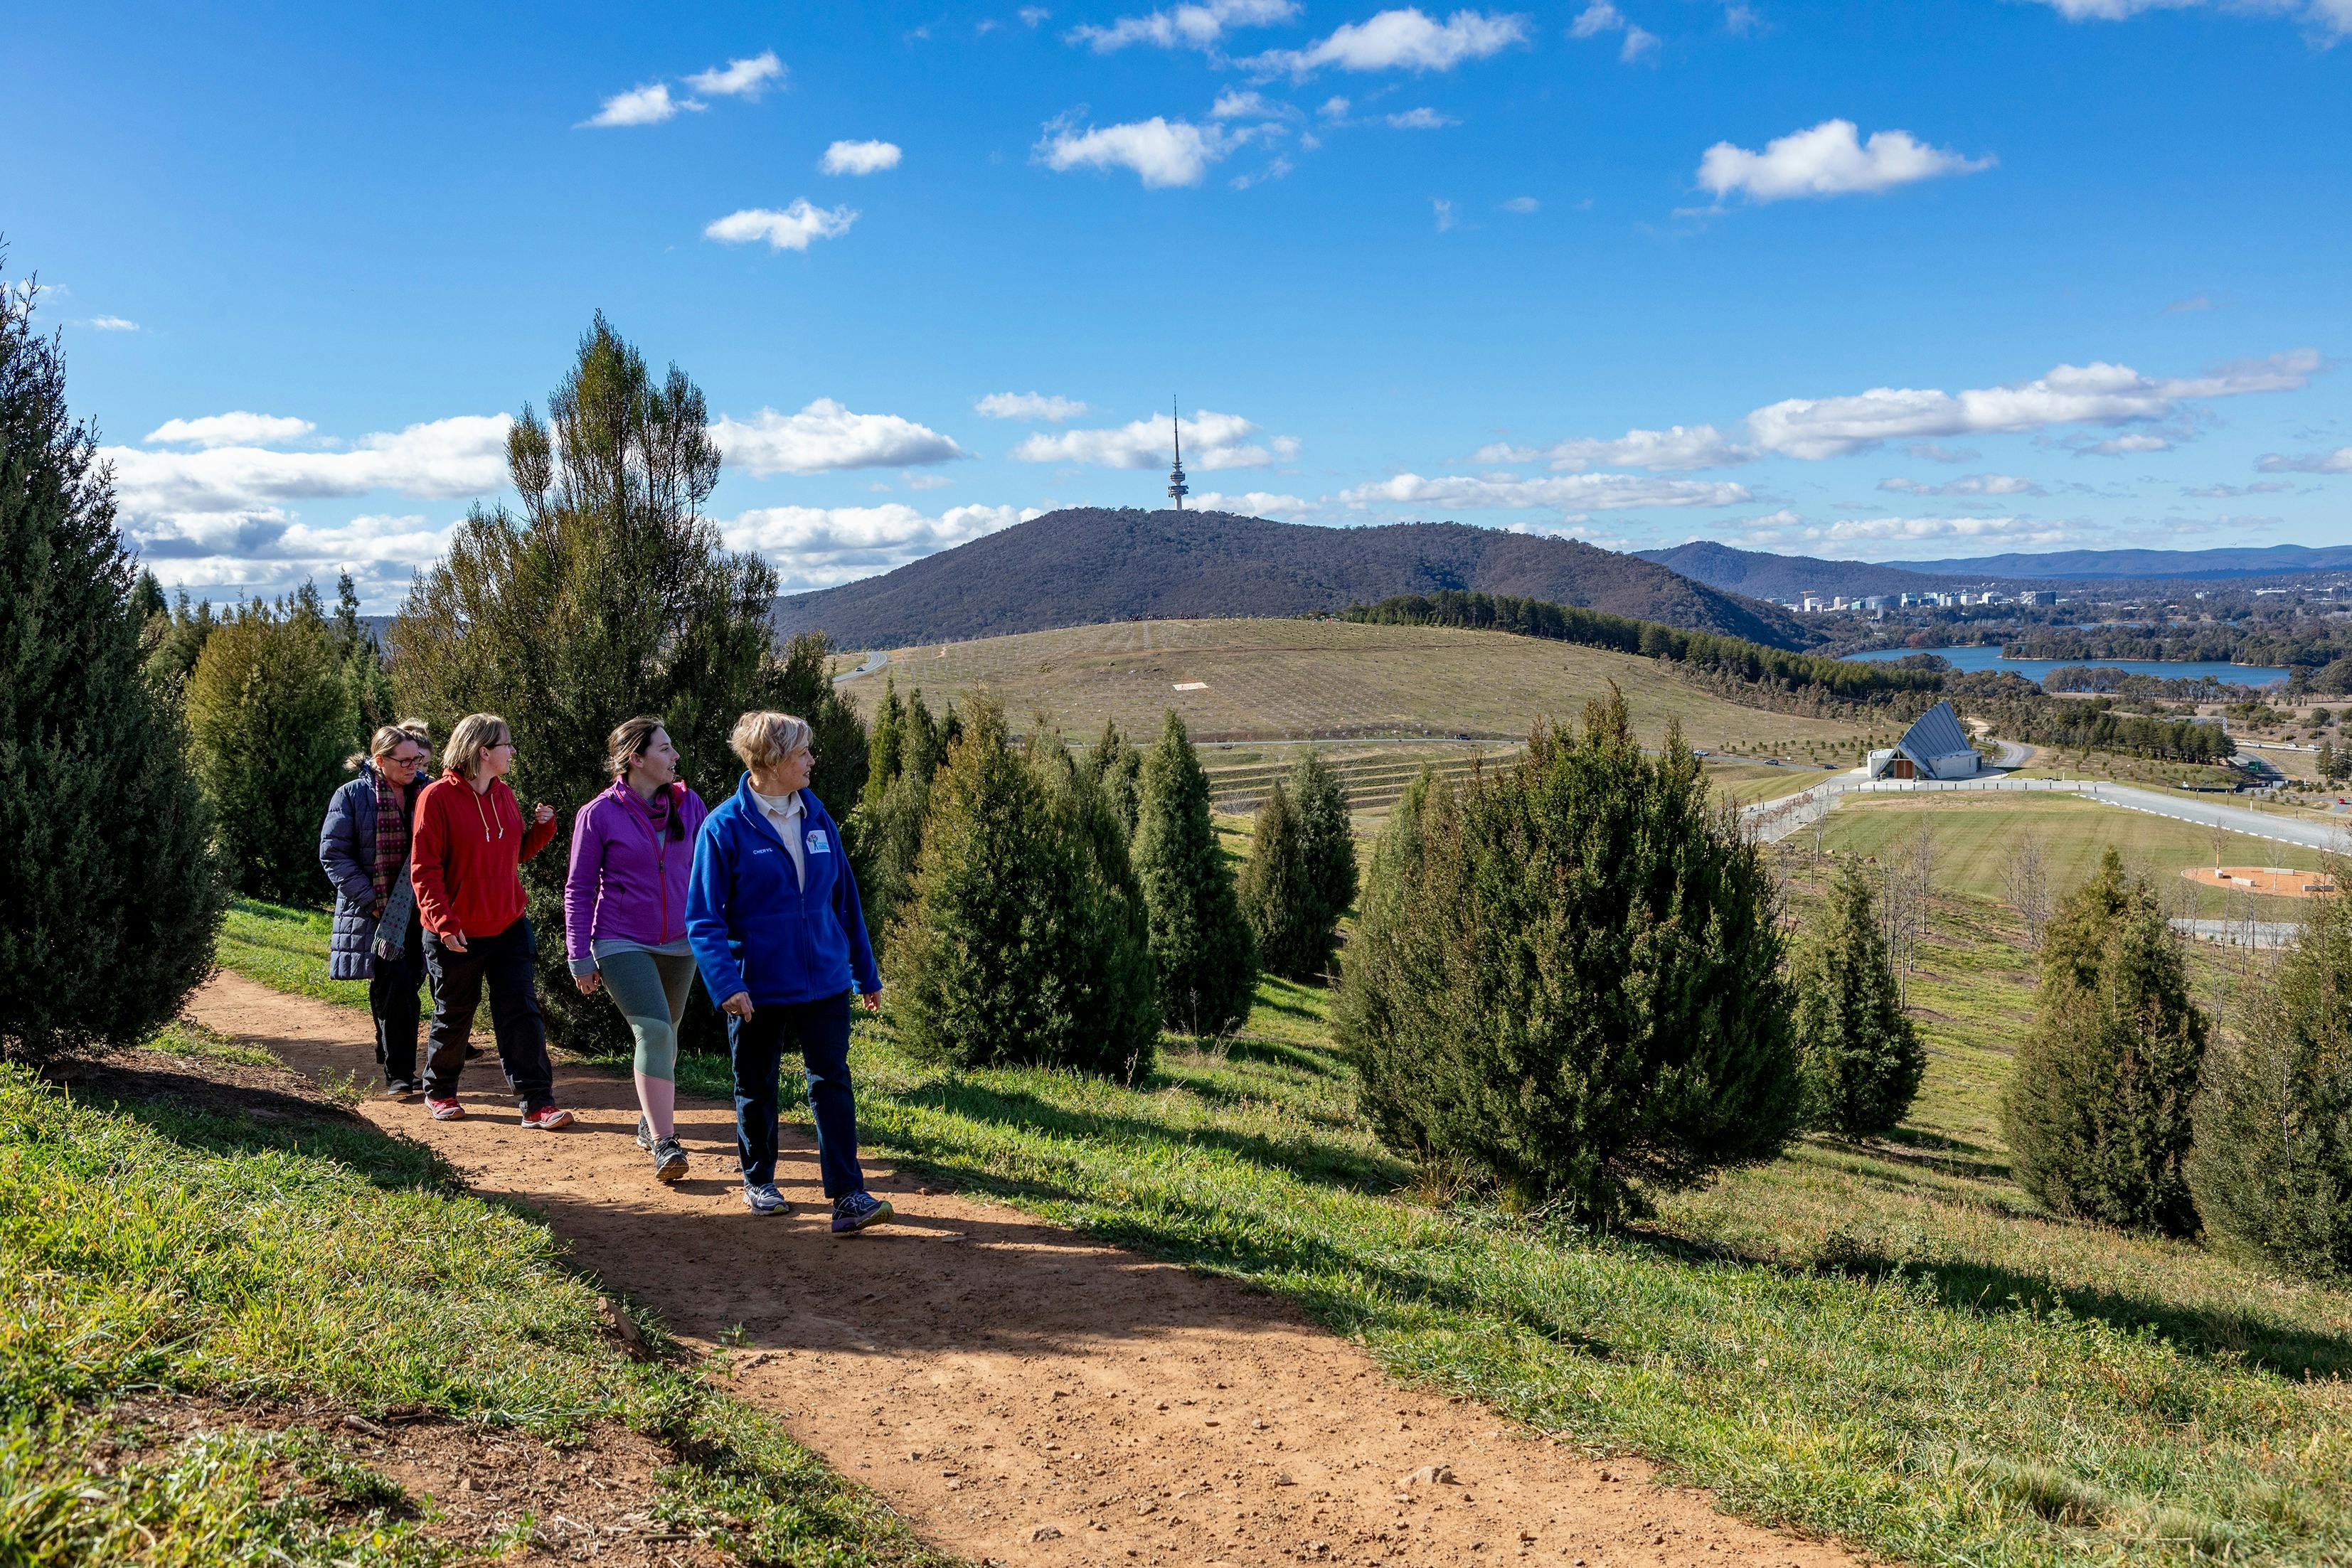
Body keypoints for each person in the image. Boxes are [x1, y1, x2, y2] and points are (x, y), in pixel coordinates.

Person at [686, 710, 892, 1231]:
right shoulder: (724, 827)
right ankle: (758, 1180)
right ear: (773, 760)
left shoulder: (818, 817)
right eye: (802, 752)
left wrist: (865, 973)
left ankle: (848, 1195)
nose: (811, 760)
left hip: (825, 978)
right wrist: (726, 984)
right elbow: (703, 918)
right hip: (757, 985)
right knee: (756, 1085)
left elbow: (845, 902)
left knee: (832, 1080)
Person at [411, 712, 573, 1129]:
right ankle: (440, 1091)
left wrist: (542, 830)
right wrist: (444, 922)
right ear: (483, 752)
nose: (512, 751)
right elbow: (425, 869)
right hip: (457, 933)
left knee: (522, 1012)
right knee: (454, 1013)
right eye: (506, 744)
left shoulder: (504, 794)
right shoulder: (436, 798)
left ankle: (538, 1102)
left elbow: (512, 855)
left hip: (509, 926)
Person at [564, 717, 709, 1183]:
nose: (675, 756)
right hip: (620, 939)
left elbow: (709, 871)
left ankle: (650, 1120)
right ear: (636, 759)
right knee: (654, 1031)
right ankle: (666, 1143)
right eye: (665, 749)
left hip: (682, 942)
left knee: (669, 1031)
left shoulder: (690, 805)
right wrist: (579, 955)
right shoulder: (599, 813)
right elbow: (579, 888)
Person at [319, 720, 433, 1099]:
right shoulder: (351, 796)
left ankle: (390, 1050)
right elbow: (334, 855)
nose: (413, 766)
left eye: (416, 759)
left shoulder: (429, 793)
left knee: (407, 984)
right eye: (404, 761)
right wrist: (371, 901)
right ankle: (400, 1074)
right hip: (374, 912)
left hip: (421, 907)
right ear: (380, 760)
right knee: (396, 985)